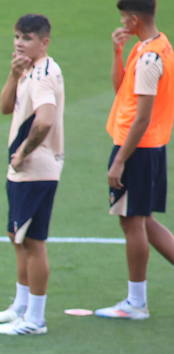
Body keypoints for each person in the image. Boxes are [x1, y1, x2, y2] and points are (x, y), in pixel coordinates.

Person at [98, 0, 174, 320]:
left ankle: (136, 302)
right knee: (144, 220)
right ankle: (136, 300)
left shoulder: (149, 59)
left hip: (137, 148)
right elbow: (122, 89)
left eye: (122, 17)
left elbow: (141, 118)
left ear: (132, 18)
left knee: (131, 222)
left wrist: (119, 162)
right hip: (151, 147)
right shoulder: (156, 46)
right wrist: (117, 52)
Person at [0, 14, 65, 336]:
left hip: (36, 170)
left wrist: (23, 153)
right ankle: (21, 306)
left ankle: (35, 319)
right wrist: (13, 74)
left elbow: (46, 120)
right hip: (22, 172)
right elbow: (5, 107)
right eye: (17, 37)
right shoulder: (28, 70)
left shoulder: (44, 74)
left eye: (27, 38)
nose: (20, 43)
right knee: (17, 237)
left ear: (44, 41)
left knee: (34, 243)